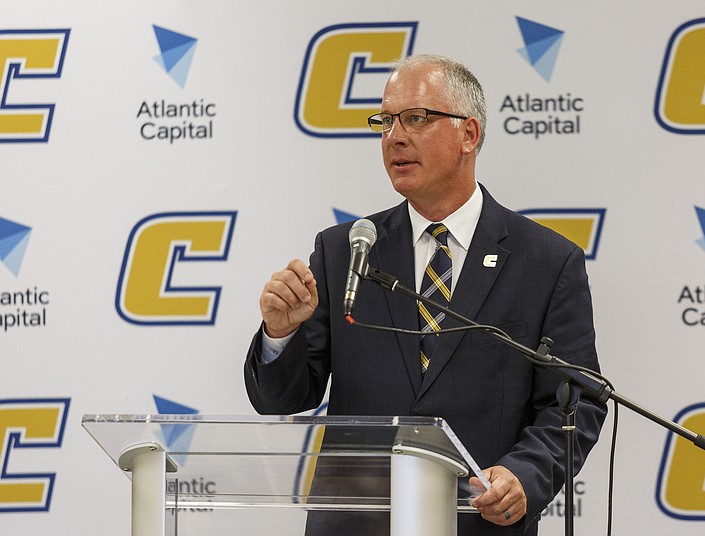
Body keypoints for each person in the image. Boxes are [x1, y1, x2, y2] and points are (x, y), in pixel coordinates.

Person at [244, 54, 607, 535]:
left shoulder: (545, 261)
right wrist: (279, 333)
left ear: (469, 135)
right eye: (385, 120)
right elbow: (281, 398)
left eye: (416, 118)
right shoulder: (346, 250)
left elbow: (575, 403)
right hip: (357, 523)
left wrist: (525, 475)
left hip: (477, 522)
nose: (395, 135)